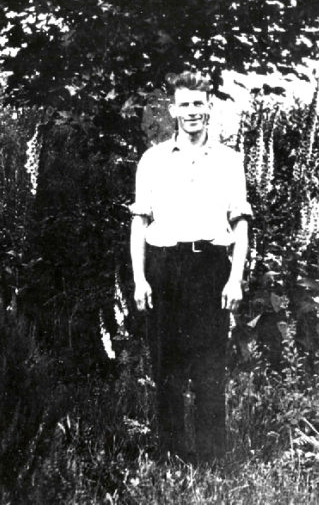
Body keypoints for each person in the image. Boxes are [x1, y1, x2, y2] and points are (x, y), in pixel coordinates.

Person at [129, 71, 251, 463]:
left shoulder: (229, 160)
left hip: (210, 267)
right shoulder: (153, 160)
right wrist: (140, 279)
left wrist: (234, 279)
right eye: (185, 104)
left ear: (210, 107)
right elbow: (139, 223)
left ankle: (212, 458)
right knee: (167, 367)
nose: (192, 111)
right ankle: (172, 456)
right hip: (164, 267)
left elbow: (240, 224)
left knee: (209, 368)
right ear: (173, 110)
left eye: (199, 103)